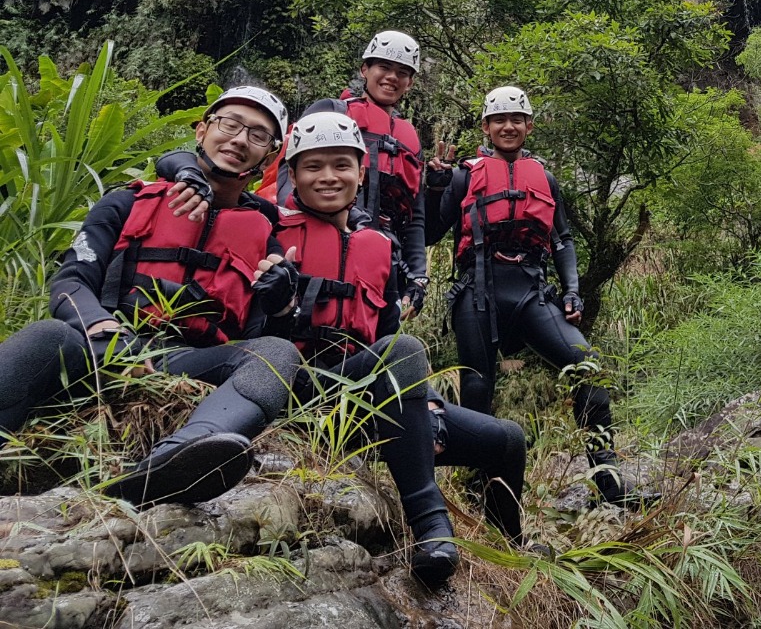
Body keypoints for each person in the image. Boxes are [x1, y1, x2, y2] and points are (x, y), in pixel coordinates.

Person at [261, 104, 527, 585]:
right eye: (313, 166)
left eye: (341, 165)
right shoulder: (266, 230)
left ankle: (512, 557)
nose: (328, 177)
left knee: (506, 438)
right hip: (299, 395)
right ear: (292, 173)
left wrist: (421, 404)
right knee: (403, 350)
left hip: (363, 396)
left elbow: (382, 333)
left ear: (360, 173)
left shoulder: (378, 246)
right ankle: (429, 521)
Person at [44, 86, 302, 507]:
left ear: (268, 158)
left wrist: (282, 305)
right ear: (202, 131)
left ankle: (179, 458)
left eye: (257, 135)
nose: (239, 139)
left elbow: (269, 333)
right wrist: (103, 328)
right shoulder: (125, 202)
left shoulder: (268, 240)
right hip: (105, 349)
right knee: (47, 336)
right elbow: (71, 281)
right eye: (230, 124)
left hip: (190, 360)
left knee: (275, 353)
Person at [426, 86, 642, 507]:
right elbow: (431, 233)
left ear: (529, 126)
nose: (508, 126)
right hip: (478, 292)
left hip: (530, 291)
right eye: (499, 120)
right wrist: (434, 190)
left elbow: (562, 240)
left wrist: (573, 290)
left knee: (587, 370)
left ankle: (610, 482)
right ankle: (476, 488)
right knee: (477, 387)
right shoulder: (462, 176)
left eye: (517, 119)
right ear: (486, 127)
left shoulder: (545, 178)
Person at [273, 32, 428, 322]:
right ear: (364, 70)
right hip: (323, 236)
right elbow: (288, 170)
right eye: (383, 67)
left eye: (402, 72)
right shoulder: (332, 110)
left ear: (410, 82)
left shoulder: (412, 140)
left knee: (371, 339)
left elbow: (415, 215)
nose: (392, 77)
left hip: (383, 255)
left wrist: (418, 274)